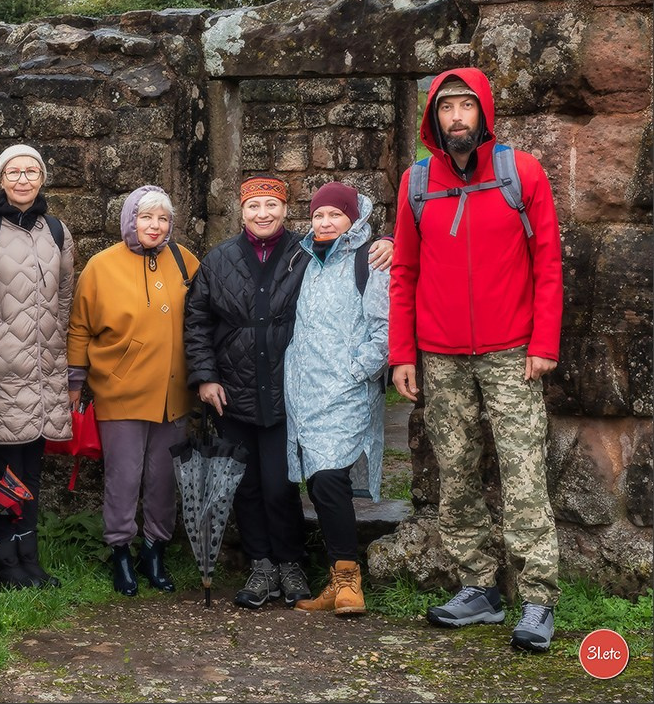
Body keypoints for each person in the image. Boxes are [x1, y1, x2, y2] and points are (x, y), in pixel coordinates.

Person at [389, 68, 563, 652]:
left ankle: (538, 597)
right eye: (445, 109)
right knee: (457, 474)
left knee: (523, 473)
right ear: (433, 119)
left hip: (512, 351)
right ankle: (479, 587)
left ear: (483, 112)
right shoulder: (417, 183)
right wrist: (401, 354)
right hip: (439, 355)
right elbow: (404, 275)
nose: (456, 117)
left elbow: (549, 265)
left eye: (465, 107)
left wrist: (543, 343)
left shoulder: (522, 173)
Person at [185, 176, 392, 610]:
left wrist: (389, 242)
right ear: (241, 211)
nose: (263, 213)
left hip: (291, 392)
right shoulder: (219, 259)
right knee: (245, 486)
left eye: (272, 205)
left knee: (281, 485)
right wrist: (205, 376)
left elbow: (355, 250)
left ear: (285, 210)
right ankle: (261, 566)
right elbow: (197, 320)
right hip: (234, 390)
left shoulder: (306, 252)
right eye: (254, 206)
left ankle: (292, 563)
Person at [67, 185, 199, 596]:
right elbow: (80, 327)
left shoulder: (185, 261)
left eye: (162, 219)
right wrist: (75, 381)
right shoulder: (101, 266)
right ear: (130, 220)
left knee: (163, 479)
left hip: (173, 395)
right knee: (124, 478)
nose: (154, 226)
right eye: (145, 218)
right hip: (120, 392)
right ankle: (121, 551)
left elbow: (205, 317)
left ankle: (154, 550)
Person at [0, 143, 74, 589]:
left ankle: (28, 558)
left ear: (42, 178)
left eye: (32, 171)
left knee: (31, 468)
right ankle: (2, 564)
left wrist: (53, 348)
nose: (24, 179)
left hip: (44, 369)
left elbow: (65, 294)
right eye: (15, 172)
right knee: (2, 471)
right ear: (0, 178)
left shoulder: (56, 231)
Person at [285, 182, 389, 616]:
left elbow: (385, 330)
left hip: (346, 391)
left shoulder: (371, 261)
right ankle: (335, 577)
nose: (325, 223)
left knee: (328, 478)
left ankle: (349, 581)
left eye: (335, 215)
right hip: (304, 392)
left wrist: (355, 372)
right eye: (318, 216)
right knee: (320, 482)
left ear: (353, 218)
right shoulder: (305, 260)